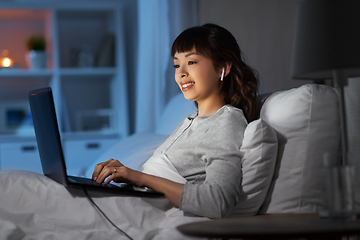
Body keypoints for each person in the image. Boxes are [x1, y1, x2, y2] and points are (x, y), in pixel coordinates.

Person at [92, 23, 259, 219]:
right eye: (177, 64)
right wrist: (125, 176)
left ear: (223, 67)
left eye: (192, 62)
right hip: (135, 205)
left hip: (146, 215)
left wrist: (139, 178)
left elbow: (217, 201)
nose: (181, 73)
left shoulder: (226, 122)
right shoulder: (193, 120)